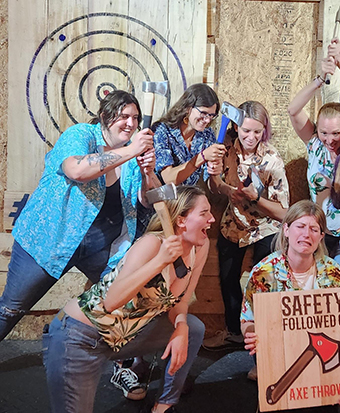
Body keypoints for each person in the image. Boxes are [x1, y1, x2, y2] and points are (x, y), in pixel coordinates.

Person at [0, 90, 155, 342]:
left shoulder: (131, 154)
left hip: (100, 247)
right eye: (123, 116)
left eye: (135, 117)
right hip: (49, 241)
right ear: (105, 116)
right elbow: (77, 170)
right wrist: (131, 151)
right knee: (10, 310)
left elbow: (148, 200)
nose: (131, 123)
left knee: (124, 304)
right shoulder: (80, 134)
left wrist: (147, 171)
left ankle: (122, 366)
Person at [43, 185, 213, 413]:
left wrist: (180, 326)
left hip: (123, 337)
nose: (212, 219)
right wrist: (160, 261)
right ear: (182, 220)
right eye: (204, 213)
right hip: (80, 336)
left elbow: (180, 302)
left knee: (192, 328)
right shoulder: (153, 245)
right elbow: (112, 301)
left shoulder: (200, 247)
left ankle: (163, 406)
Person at [240, 200, 340, 408]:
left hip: (323, 361)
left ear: (321, 236)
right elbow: (247, 319)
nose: (306, 234)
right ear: (286, 229)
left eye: (314, 229)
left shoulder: (333, 273)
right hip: (279, 360)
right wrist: (253, 334)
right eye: (300, 226)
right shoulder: (264, 273)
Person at [203, 101, 290, 350]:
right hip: (233, 226)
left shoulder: (272, 161)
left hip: (266, 227)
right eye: (246, 131)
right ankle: (234, 332)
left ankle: (264, 338)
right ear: (236, 127)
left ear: (265, 130)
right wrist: (219, 183)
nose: (251, 137)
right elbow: (213, 187)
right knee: (228, 279)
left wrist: (255, 198)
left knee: (263, 283)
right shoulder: (224, 148)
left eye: (257, 131)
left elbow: (284, 213)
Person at [287, 38, 340, 285]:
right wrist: (320, 78)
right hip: (320, 234)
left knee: (336, 284)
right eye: (324, 132)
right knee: (311, 287)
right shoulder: (314, 143)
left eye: (336, 133)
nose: (330, 139)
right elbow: (293, 110)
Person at [153, 83, 226, 186]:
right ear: (188, 108)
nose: (207, 120)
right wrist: (202, 157)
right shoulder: (162, 131)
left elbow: (211, 185)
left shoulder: (207, 134)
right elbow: (168, 179)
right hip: (161, 196)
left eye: (211, 115)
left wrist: (215, 173)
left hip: (188, 197)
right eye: (203, 113)